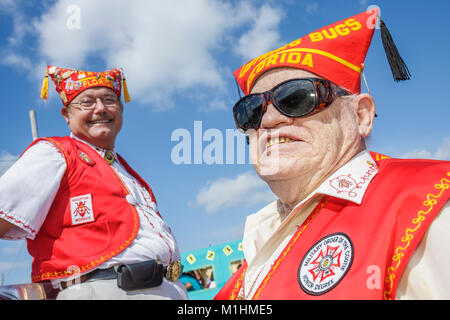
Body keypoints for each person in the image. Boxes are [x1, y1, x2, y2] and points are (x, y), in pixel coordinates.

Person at [215, 8, 450, 300]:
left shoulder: (432, 202)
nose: (268, 120)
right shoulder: (258, 240)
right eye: (251, 110)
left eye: (295, 97)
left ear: (361, 115)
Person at [0, 66, 187, 300]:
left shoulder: (127, 172)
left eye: (109, 100)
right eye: (87, 102)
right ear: (67, 115)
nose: (100, 108)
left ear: (120, 109)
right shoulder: (54, 154)